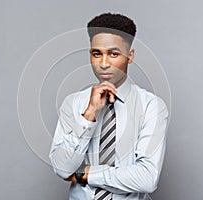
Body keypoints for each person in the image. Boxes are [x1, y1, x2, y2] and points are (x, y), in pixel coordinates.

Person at [49, 13, 169, 200]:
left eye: (113, 54)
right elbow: (62, 168)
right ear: (90, 54)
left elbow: (147, 178)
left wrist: (85, 174)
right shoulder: (73, 103)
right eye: (97, 54)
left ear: (130, 56)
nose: (104, 64)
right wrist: (89, 114)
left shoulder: (151, 106)